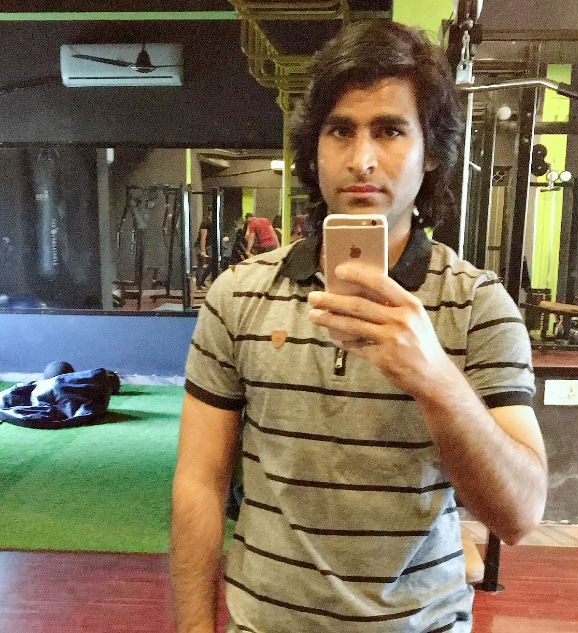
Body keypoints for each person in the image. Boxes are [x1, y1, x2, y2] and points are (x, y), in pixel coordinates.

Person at [171, 19, 547, 633]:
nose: (361, 159)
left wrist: (435, 380)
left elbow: (520, 514)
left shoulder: (479, 305)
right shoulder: (236, 295)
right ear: (314, 149)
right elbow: (198, 483)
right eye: (340, 130)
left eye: (391, 130)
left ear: (431, 154)